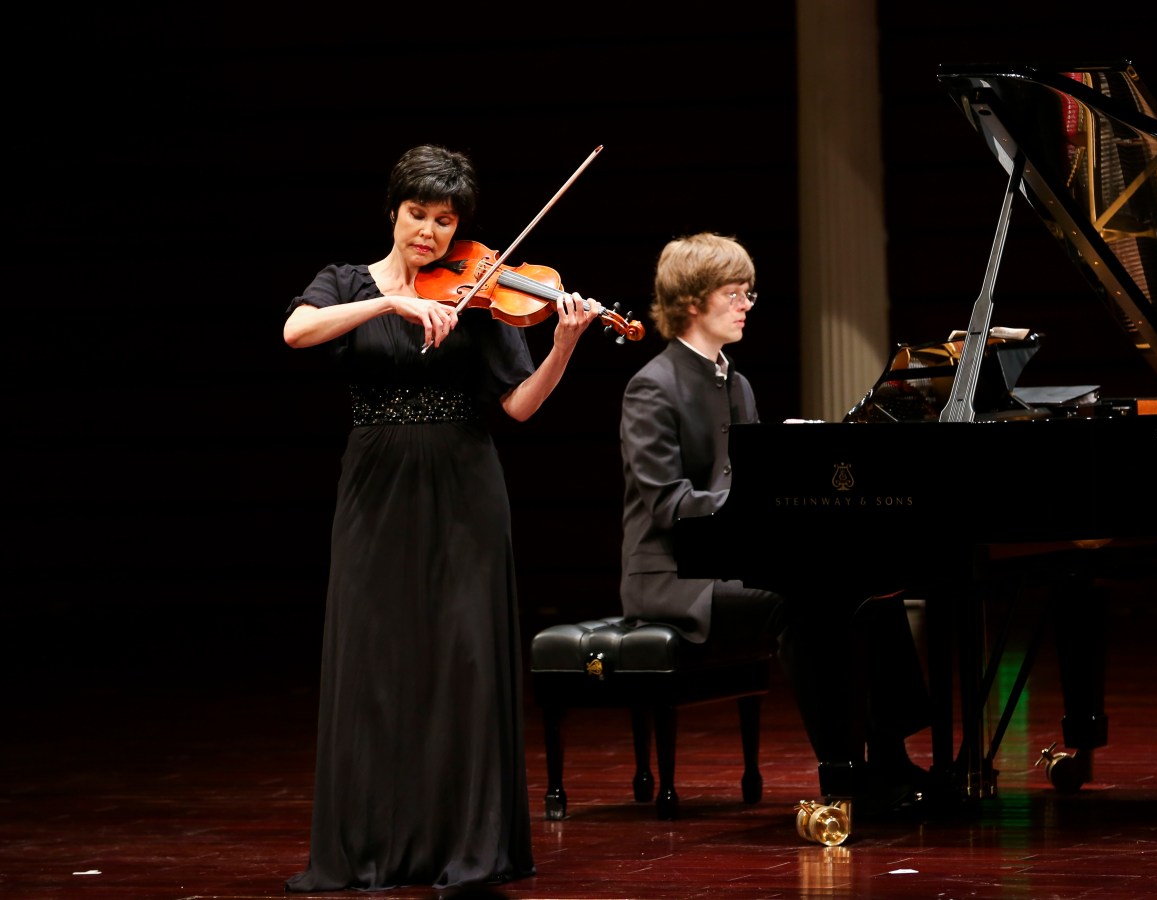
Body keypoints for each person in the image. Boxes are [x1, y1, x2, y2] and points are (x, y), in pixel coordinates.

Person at [282, 144, 601, 892]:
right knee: (375, 662)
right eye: (418, 214)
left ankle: (470, 847)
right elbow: (298, 332)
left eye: (444, 219)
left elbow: (518, 405)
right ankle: (369, 847)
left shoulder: (481, 287)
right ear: (394, 211)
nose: (428, 231)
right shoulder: (345, 282)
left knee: (464, 660)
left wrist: (561, 347)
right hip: (374, 482)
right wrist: (392, 302)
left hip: (464, 481)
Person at [618, 232, 930, 812]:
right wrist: (757, 502)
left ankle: (890, 753)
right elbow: (667, 502)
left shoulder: (737, 383)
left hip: (729, 563)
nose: (745, 304)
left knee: (874, 589)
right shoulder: (651, 387)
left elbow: (747, 488)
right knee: (803, 603)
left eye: (748, 294)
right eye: (733, 293)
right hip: (672, 578)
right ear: (692, 302)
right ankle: (840, 770)